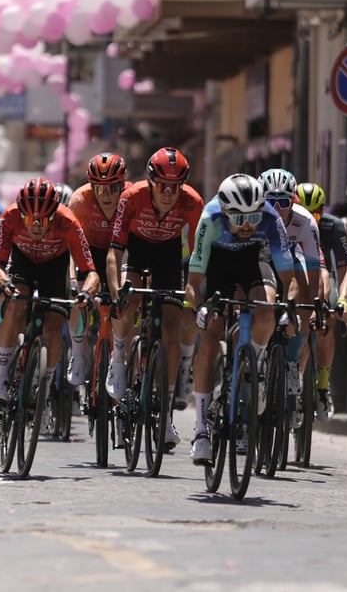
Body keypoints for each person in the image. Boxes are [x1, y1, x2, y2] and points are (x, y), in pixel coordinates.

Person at [186, 174, 306, 463]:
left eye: (253, 217)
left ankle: (254, 369)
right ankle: (202, 430)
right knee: (210, 337)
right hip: (218, 265)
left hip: (254, 261)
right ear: (225, 211)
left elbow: (288, 278)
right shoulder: (210, 218)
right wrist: (200, 307)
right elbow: (193, 281)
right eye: (239, 220)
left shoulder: (269, 216)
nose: (248, 226)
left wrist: (289, 307)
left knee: (267, 311)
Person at [106, 148, 203, 432]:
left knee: (172, 329)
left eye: (175, 187)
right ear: (150, 182)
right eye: (162, 186)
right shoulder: (131, 197)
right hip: (135, 250)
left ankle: (166, 413)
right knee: (128, 299)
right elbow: (114, 252)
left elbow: (198, 256)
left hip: (169, 255)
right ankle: (118, 357)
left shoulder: (193, 202)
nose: (169, 193)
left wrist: (192, 290)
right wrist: (116, 295)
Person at [0, 178, 99, 410]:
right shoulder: (9, 216)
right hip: (22, 262)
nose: (36, 226)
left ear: (54, 215)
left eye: (43, 220)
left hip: (55, 266)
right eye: (30, 220)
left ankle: (45, 389)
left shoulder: (68, 221)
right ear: (21, 214)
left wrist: (86, 293)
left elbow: (91, 272)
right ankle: (0, 380)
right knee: (16, 305)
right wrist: (4, 283)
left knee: (53, 326)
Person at [259, 170, 324, 428]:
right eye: (269, 202)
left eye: (283, 202)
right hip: (262, 260)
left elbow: (314, 265)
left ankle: (292, 367)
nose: (276, 208)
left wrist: (316, 302)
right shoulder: (255, 217)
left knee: (306, 296)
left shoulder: (305, 222)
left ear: (293, 201)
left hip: (293, 262)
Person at [66, 153, 129, 387]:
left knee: (126, 294)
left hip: (122, 252)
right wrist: (73, 281)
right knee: (79, 295)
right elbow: (69, 245)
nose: (106, 195)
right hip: (88, 252)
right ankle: (79, 352)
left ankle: (122, 357)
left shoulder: (130, 198)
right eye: (99, 188)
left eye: (112, 188)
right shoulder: (79, 201)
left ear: (122, 184)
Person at [295, 181, 347, 420]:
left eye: (317, 213)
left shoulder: (334, 226)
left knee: (326, 319)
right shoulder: (288, 220)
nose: (312, 218)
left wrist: (343, 300)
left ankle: (322, 385)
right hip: (294, 268)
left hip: (323, 270)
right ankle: (292, 374)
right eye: (307, 213)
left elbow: (345, 269)